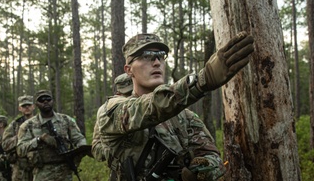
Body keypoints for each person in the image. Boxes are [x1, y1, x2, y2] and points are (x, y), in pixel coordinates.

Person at [95, 32, 254, 181]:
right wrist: (202, 80)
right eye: (146, 56)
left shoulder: (184, 117)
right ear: (128, 70)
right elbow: (150, 107)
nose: (156, 62)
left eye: (160, 56)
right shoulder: (112, 110)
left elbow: (213, 157)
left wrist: (197, 171)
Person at [16, 90, 88, 181]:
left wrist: (78, 154)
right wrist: (39, 139)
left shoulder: (66, 120)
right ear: (36, 104)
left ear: (52, 101)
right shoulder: (28, 125)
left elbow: (79, 139)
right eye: (41, 100)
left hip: (64, 170)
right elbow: (20, 149)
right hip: (42, 172)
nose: (45, 102)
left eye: (48, 99)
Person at [92, 73, 133, 162]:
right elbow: (97, 150)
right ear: (118, 93)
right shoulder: (107, 109)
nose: (130, 97)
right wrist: (114, 147)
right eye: (128, 94)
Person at [2, 95, 36, 181]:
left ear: (33, 106)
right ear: (20, 108)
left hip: (39, 166)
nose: (27, 107)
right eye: (24, 106)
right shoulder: (14, 125)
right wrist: (19, 137)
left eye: (29, 105)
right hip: (21, 169)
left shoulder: (41, 122)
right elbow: (5, 145)